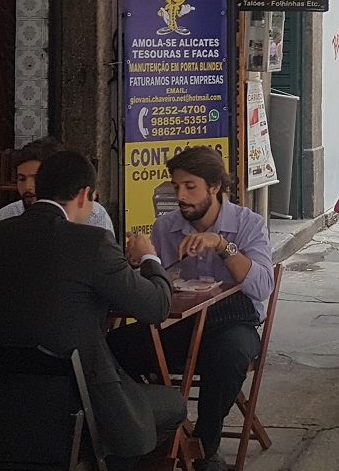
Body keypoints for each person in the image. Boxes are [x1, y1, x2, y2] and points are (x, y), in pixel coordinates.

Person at [0, 151, 184, 469]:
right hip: (75, 404)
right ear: (83, 194)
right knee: (173, 405)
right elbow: (156, 306)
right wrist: (149, 258)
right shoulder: (93, 243)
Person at [109, 146, 274, 471]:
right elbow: (154, 287)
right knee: (110, 348)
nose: (181, 196)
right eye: (176, 187)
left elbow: (262, 286)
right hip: (181, 325)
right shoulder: (166, 226)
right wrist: (141, 261)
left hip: (232, 324)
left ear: (214, 187)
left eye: (190, 187)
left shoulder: (248, 224)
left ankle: (204, 447)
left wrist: (222, 245)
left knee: (229, 354)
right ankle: (157, 429)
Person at [0, 137, 114, 272]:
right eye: (21, 179)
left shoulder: (93, 216)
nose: (28, 187)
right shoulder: (8, 214)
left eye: (36, 179)